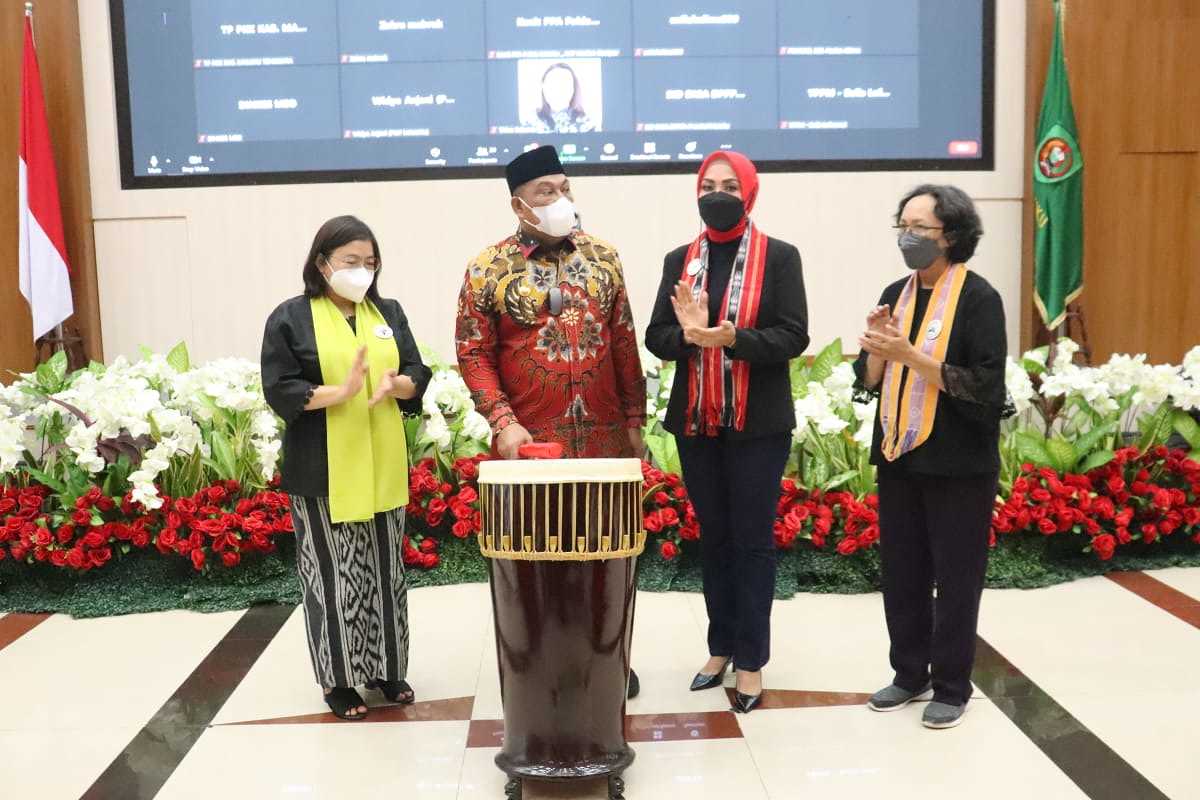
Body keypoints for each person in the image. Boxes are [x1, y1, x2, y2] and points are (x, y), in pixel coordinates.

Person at [455, 144, 646, 697]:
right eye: (547, 192)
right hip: (532, 448)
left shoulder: (604, 257)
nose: (561, 199)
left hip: (605, 443)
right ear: (520, 205)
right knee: (539, 562)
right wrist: (501, 419)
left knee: (608, 557)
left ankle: (608, 657)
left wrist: (635, 423)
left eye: (566, 188)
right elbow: (472, 352)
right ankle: (540, 665)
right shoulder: (488, 267)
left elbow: (625, 343)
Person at [644, 151, 809, 714]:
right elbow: (657, 336)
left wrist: (730, 339)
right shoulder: (679, 260)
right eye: (709, 184)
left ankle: (752, 659)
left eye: (729, 185)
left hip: (757, 423)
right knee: (714, 537)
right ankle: (719, 647)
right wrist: (690, 338)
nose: (717, 193)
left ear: (750, 193)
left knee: (752, 541)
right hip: (697, 421)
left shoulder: (780, 258)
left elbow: (793, 337)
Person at [261, 215, 431, 721]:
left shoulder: (388, 311)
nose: (362, 271)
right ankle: (338, 680)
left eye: (370, 263)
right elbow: (278, 386)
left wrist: (398, 386)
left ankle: (387, 669)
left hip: (382, 465)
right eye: (351, 262)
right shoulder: (292, 317)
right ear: (322, 263)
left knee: (385, 572)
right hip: (322, 471)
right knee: (334, 577)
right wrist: (339, 393)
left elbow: (417, 371)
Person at [854, 184, 1007, 730]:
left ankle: (951, 684)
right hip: (899, 456)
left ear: (954, 236)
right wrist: (875, 351)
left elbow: (986, 387)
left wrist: (910, 355)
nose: (908, 236)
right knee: (903, 573)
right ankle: (908, 671)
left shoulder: (980, 298)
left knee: (957, 576)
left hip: (959, 463)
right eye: (904, 224)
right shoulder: (896, 291)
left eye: (922, 228)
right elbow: (870, 381)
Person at [533, 62, 595, 133]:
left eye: (564, 84)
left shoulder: (587, 124)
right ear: (543, 88)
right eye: (552, 83)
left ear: (574, 89)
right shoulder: (531, 122)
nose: (558, 90)